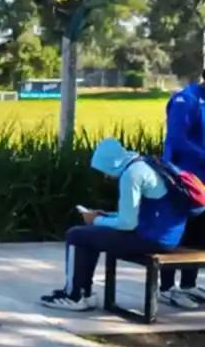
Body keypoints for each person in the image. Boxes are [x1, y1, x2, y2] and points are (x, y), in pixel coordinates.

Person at [40, 138, 190, 311]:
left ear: (111, 163)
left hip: (154, 239)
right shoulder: (144, 164)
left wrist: (95, 220)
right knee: (90, 234)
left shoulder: (131, 175)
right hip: (165, 235)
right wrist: (106, 216)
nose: (106, 176)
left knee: (76, 235)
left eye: (104, 170)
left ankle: (75, 296)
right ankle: (83, 292)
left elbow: (127, 223)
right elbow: (144, 212)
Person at [160, 73, 205, 307]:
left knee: (198, 232)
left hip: (202, 180)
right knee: (178, 231)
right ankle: (167, 287)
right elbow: (178, 140)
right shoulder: (186, 100)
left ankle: (188, 284)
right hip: (182, 178)